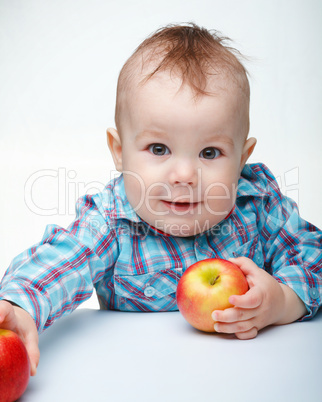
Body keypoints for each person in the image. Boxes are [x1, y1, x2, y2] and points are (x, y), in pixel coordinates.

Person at [0, 23, 321, 377]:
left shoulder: (256, 203)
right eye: (158, 149)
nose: (184, 174)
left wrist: (282, 302)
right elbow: (63, 258)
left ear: (242, 159)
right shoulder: (109, 220)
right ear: (119, 152)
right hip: (137, 378)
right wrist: (21, 305)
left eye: (210, 152)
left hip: (241, 378)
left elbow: (311, 252)